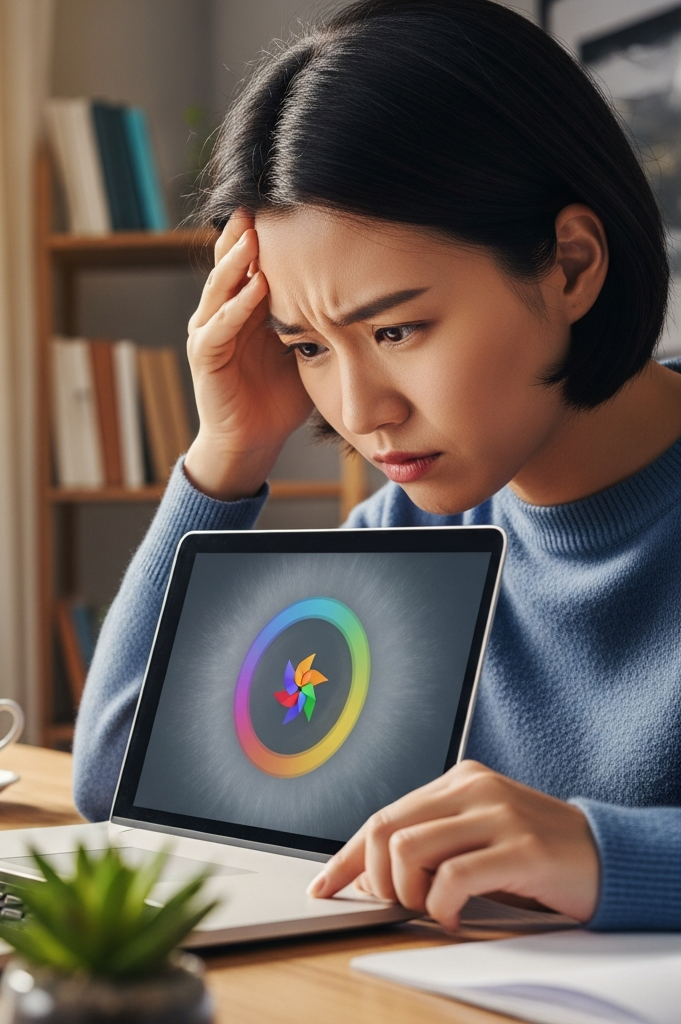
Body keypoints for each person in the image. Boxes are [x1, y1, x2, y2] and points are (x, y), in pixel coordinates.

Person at [72, 0, 681, 931]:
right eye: (308, 347)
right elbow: (121, 779)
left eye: (396, 329)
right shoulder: (414, 532)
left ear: (570, 265)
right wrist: (225, 457)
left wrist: (609, 855)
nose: (361, 415)